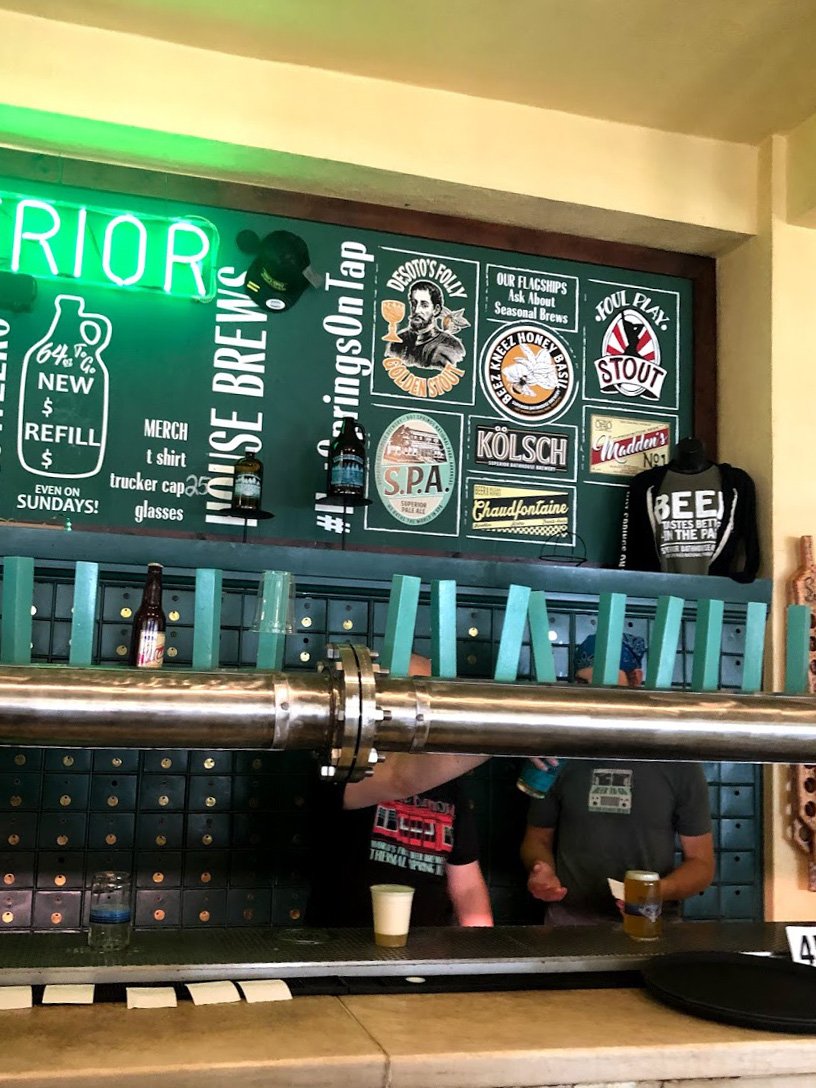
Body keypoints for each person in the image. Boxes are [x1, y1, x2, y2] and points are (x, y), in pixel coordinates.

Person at [520, 634, 714, 925]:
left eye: (606, 686)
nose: (594, 698)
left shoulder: (676, 760)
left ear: (636, 679)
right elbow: (536, 838)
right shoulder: (559, 754)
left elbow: (701, 863)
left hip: (650, 922)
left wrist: (656, 892)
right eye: (584, 686)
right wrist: (541, 869)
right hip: (569, 921)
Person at [307, 654, 493, 928]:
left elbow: (467, 888)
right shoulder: (341, 766)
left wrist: (479, 961)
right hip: (345, 954)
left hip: (423, 959)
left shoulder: (447, 784)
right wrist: (517, 737)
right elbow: (400, 778)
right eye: (413, 696)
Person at [386, 280, 466, 370]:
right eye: (414, 303)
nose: (416, 310)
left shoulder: (451, 347)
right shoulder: (398, 341)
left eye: (424, 305)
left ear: (436, 310)